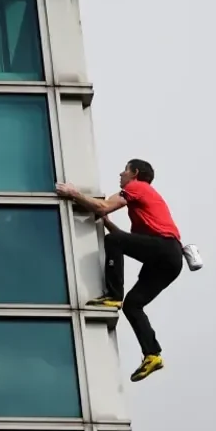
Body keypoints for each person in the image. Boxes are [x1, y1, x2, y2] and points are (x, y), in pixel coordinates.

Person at [56, 159, 183, 382]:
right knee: (133, 305)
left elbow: (104, 206)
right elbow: (122, 236)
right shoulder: (145, 200)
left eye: (125, 170)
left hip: (164, 249)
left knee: (113, 241)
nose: (121, 174)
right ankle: (152, 354)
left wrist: (73, 194)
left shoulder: (136, 187)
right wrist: (104, 220)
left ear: (135, 173)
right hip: (170, 260)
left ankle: (113, 296)